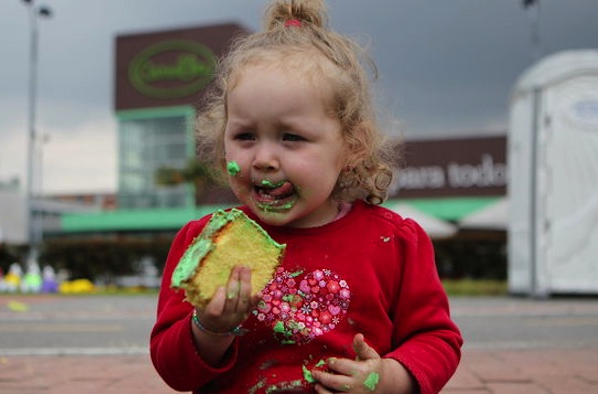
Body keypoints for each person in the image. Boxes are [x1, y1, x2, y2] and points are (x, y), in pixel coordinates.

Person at [150, 1, 462, 392]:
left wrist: (388, 380)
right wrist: (208, 329)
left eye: (291, 137)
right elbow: (172, 370)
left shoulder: (395, 243)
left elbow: (438, 340)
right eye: (245, 136)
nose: (263, 159)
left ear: (352, 145)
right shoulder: (204, 244)